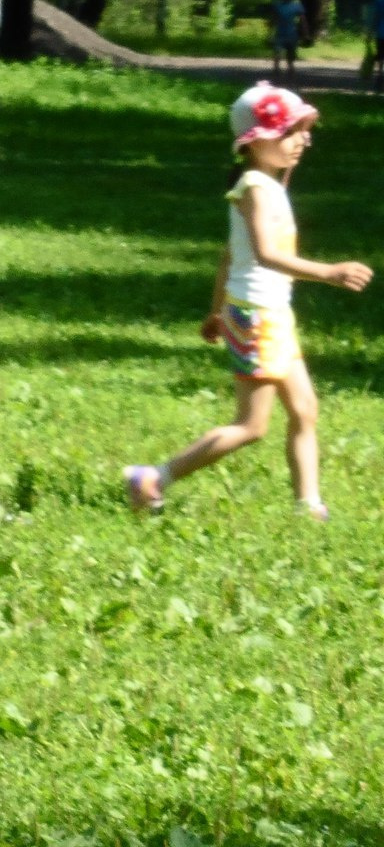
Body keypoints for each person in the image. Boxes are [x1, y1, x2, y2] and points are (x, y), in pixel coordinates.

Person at [124, 84, 371, 522]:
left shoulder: (267, 184)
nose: (304, 140)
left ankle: (308, 505)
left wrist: (217, 309)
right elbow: (264, 255)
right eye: (292, 132)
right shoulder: (256, 186)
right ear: (256, 141)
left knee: (304, 408)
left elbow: (228, 255)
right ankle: (154, 478)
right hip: (260, 317)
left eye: (305, 131)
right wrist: (330, 272)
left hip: (268, 313)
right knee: (252, 425)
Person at [270, 0, 305, 74]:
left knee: (290, 58)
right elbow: (273, 20)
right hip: (280, 34)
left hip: (292, 34)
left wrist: (305, 33)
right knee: (277, 55)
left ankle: (290, 76)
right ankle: (276, 74)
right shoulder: (277, 5)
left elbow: (303, 21)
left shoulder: (297, 6)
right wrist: (269, 34)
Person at [362, 0, 384, 92]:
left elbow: (375, 17)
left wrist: (370, 33)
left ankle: (380, 75)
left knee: (380, 55)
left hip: (381, 32)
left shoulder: (379, 0)